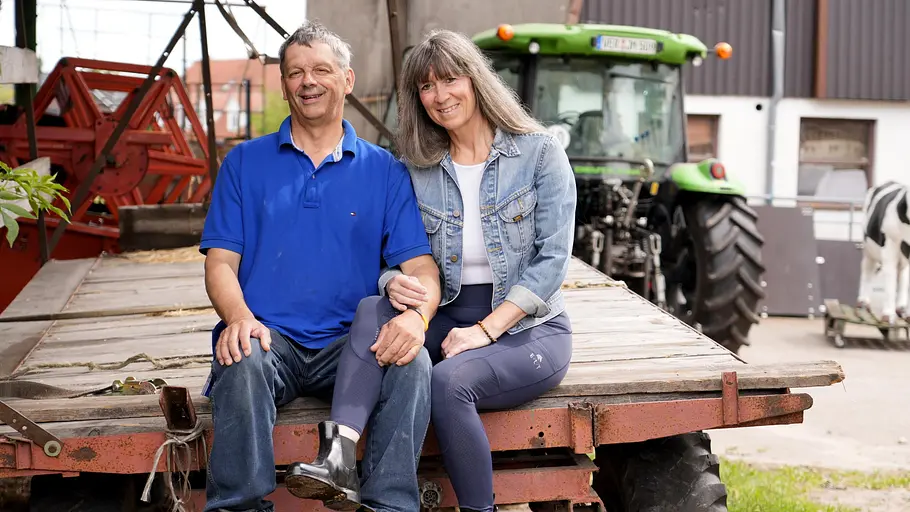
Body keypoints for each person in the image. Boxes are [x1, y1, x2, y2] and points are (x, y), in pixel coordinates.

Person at [289, 29, 578, 512]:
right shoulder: (416, 167)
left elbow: (552, 261)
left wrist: (484, 331)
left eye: (450, 80)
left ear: (477, 80)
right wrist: (394, 283)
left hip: (530, 328)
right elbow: (389, 260)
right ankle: (338, 459)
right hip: (444, 312)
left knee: (449, 382)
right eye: (426, 87)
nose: (440, 96)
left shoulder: (539, 153)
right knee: (372, 310)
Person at [198, 20, 442, 512]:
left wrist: (418, 318)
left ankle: (387, 505)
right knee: (240, 354)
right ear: (284, 83)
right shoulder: (244, 163)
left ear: (346, 80)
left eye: (321, 70)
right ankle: (239, 506)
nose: (308, 81)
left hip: (352, 346)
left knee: (412, 360)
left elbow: (422, 269)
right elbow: (220, 263)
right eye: (295, 72)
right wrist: (239, 317)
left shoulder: (385, 170)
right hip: (271, 340)